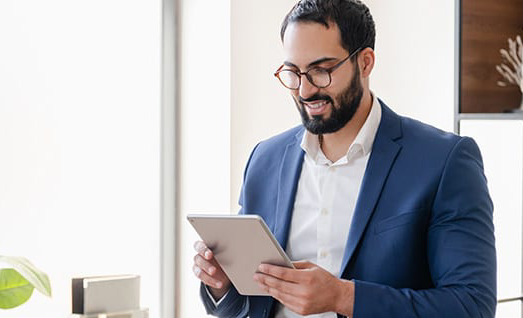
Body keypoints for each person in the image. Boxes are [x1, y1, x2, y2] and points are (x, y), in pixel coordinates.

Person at [191, 0, 496, 317]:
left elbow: (471, 306)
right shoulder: (264, 160)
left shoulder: (444, 161)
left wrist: (344, 297)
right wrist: (222, 286)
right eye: (294, 72)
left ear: (365, 63)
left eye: (321, 71)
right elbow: (252, 304)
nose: (305, 90)